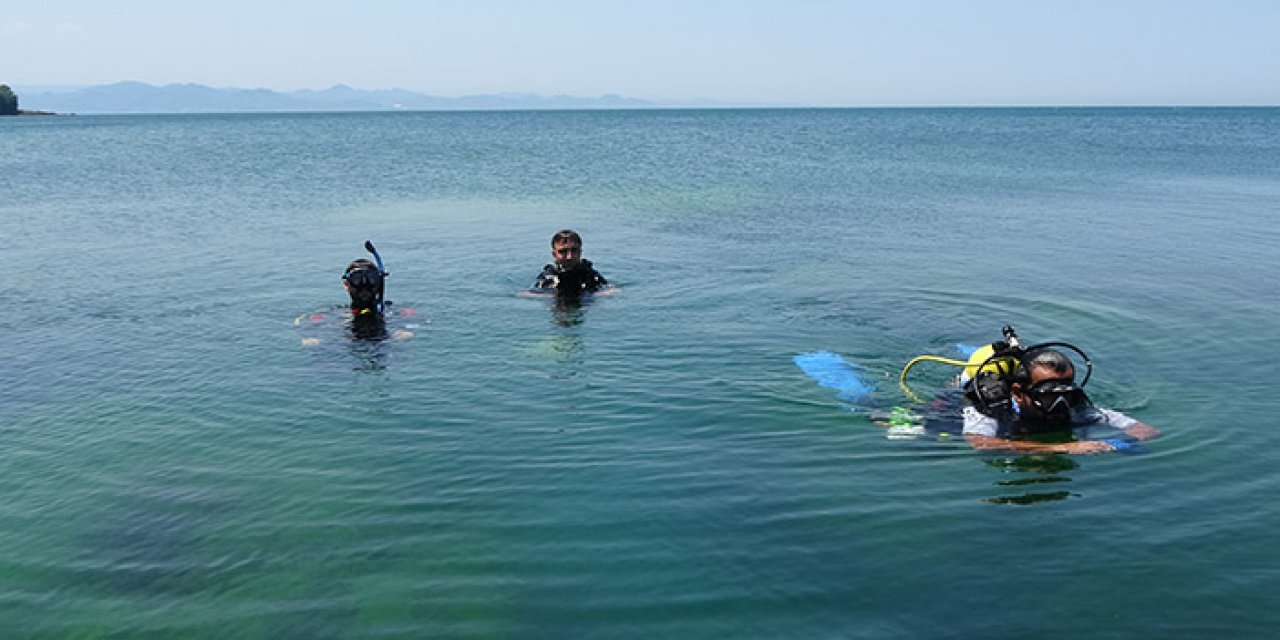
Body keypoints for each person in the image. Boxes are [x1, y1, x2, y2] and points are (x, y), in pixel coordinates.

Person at [962, 348, 1160, 454]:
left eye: (1066, 393)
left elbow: (1147, 431)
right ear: (1018, 394)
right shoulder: (990, 408)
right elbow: (980, 443)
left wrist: (1117, 443)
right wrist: (1060, 447)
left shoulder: (1074, 405)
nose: (1061, 403)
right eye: (1048, 395)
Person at [298, 255, 415, 346]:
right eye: (357, 279)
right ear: (346, 284)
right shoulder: (334, 314)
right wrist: (311, 337)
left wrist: (407, 329)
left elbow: (417, 323)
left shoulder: (396, 312)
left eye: (371, 279)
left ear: (379, 282)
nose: (364, 287)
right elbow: (304, 325)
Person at [530, 229, 612, 298]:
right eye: (563, 251)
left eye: (574, 250)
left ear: (580, 252)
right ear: (554, 254)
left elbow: (611, 290)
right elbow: (530, 293)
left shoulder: (590, 275)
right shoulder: (548, 277)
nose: (569, 256)